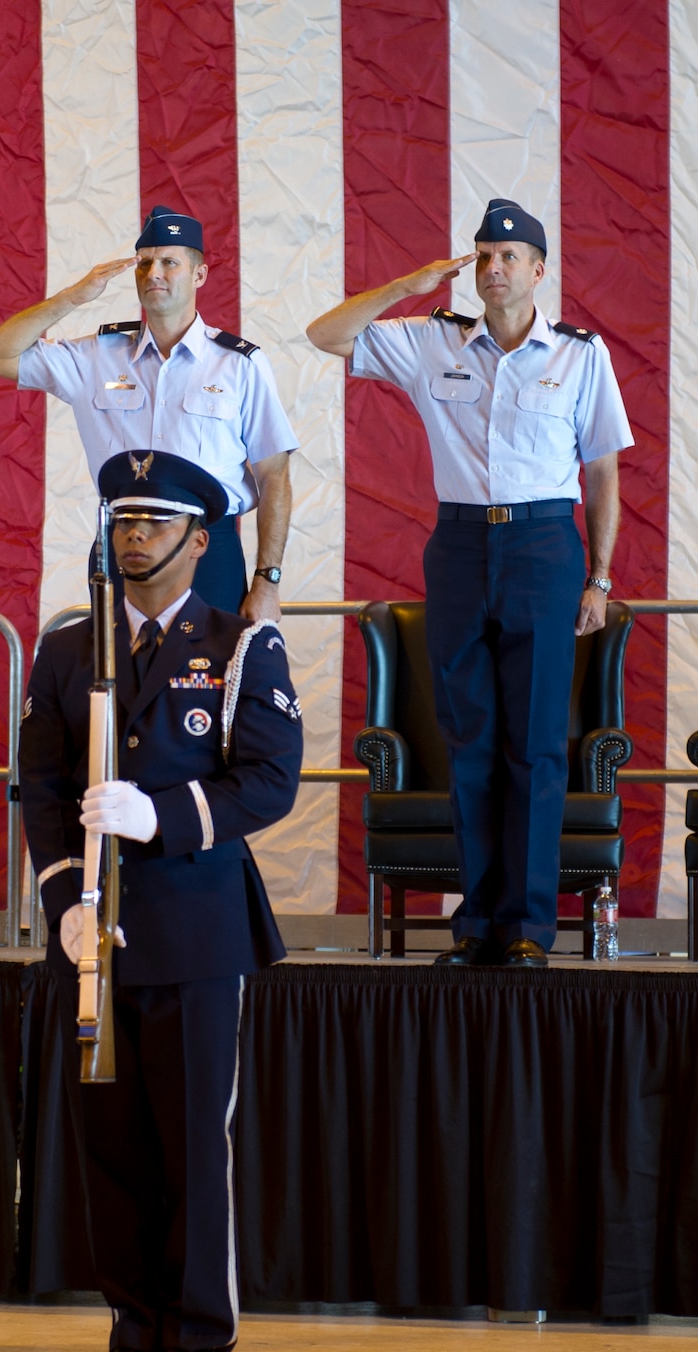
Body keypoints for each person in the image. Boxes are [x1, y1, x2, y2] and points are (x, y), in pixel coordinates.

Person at [19, 450, 302, 1352]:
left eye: (154, 521)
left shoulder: (239, 647)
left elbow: (267, 779)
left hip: (194, 928)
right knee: (113, 1145)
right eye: (122, 520)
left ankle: (195, 1335)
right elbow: (46, 792)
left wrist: (164, 817)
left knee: (191, 1141)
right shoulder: (67, 648)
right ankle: (132, 1327)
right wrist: (63, 903)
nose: (133, 535)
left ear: (201, 536)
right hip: (94, 936)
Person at [305, 198, 631, 968]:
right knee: (471, 742)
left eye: (509, 256)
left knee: (538, 748)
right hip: (457, 546)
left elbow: (605, 469)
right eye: (483, 255)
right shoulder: (432, 341)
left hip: (546, 545)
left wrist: (601, 576)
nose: (493, 268)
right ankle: (476, 924)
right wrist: (407, 285)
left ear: (539, 270)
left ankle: (528, 929)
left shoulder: (580, 355)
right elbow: (326, 335)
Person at [0, 206, 298, 620]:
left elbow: (275, 475)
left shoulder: (239, 365)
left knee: (210, 680)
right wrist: (72, 297)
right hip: (123, 539)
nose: (154, 274)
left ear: (199, 275)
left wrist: (267, 583)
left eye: (169, 262)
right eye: (144, 263)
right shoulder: (96, 358)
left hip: (207, 546)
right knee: (118, 678)